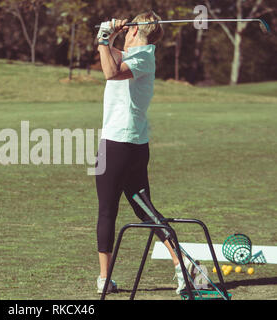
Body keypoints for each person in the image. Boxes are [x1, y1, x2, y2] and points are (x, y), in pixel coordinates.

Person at [95, 11, 192, 295]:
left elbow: (110, 72)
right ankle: (181, 265)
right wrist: (106, 37)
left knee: (107, 211)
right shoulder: (139, 54)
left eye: (128, 30)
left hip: (117, 144)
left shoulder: (142, 58)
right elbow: (110, 56)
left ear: (135, 31)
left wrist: (104, 38)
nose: (126, 33)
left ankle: (105, 278)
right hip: (133, 144)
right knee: (143, 208)